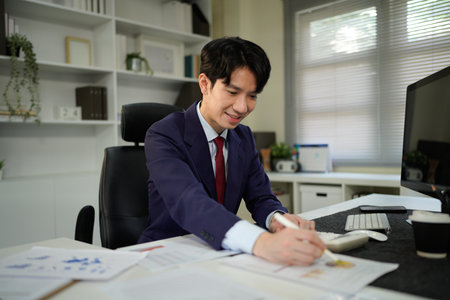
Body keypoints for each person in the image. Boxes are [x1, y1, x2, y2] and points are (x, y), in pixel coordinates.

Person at [138, 36, 326, 266]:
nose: (242, 107)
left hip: (221, 255)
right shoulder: (164, 134)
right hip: (168, 254)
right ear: (205, 84)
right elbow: (188, 201)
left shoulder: (243, 136)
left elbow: (261, 197)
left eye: (252, 95)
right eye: (232, 92)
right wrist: (260, 242)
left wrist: (277, 219)